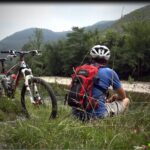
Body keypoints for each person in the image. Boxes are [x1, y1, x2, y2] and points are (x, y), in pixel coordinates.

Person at [72, 45, 130, 120]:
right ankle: (118, 122)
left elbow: (72, 88)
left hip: (76, 114)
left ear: (91, 58)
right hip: (97, 116)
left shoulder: (80, 70)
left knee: (103, 101)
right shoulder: (110, 72)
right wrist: (115, 97)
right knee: (126, 100)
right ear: (106, 60)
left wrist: (108, 100)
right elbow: (123, 96)